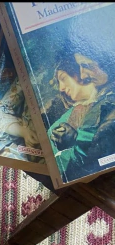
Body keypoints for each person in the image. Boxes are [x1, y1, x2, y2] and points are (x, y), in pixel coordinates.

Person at [47, 51, 115, 182]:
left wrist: (76, 142)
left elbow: (89, 163)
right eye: (80, 67)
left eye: (87, 66)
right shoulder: (96, 101)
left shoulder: (106, 105)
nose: (83, 75)